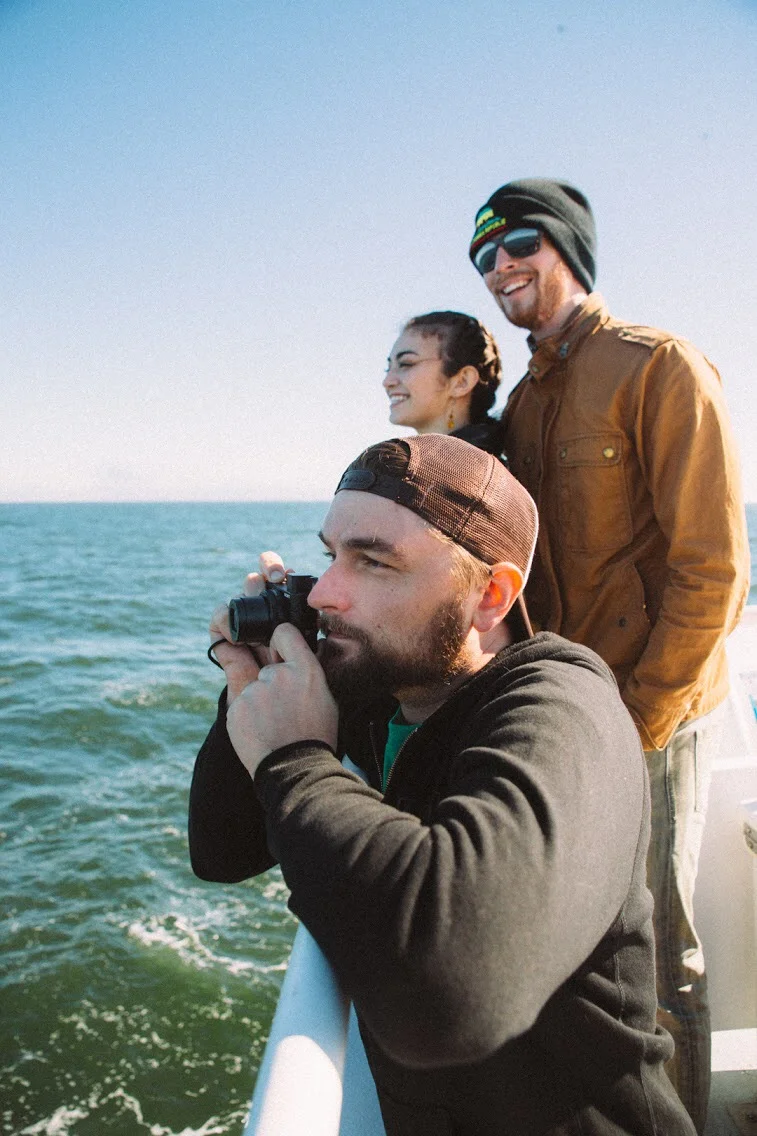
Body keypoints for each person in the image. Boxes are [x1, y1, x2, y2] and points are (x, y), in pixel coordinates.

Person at [189, 433, 696, 1136]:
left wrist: (297, 760)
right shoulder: (387, 692)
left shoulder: (562, 709)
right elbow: (222, 851)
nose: (326, 593)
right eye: (330, 556)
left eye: (372, 561)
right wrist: (254, 685)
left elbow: (453, 997)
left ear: (491, 594)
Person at [468, 177, 750, 1133]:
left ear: (569, 250)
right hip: (568, 716)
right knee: (588, 953)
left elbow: (714, 572)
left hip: (649, 719)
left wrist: (638, 723)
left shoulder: (657, 367)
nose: (499, 267)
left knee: (660, 955)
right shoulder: (520, 403)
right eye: (484, 257)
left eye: (519, 244)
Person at [383, 310, 503, 453]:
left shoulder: (467, 464)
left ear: (462, 382)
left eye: (406, 364)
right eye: (388, 368)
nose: (387, 381)